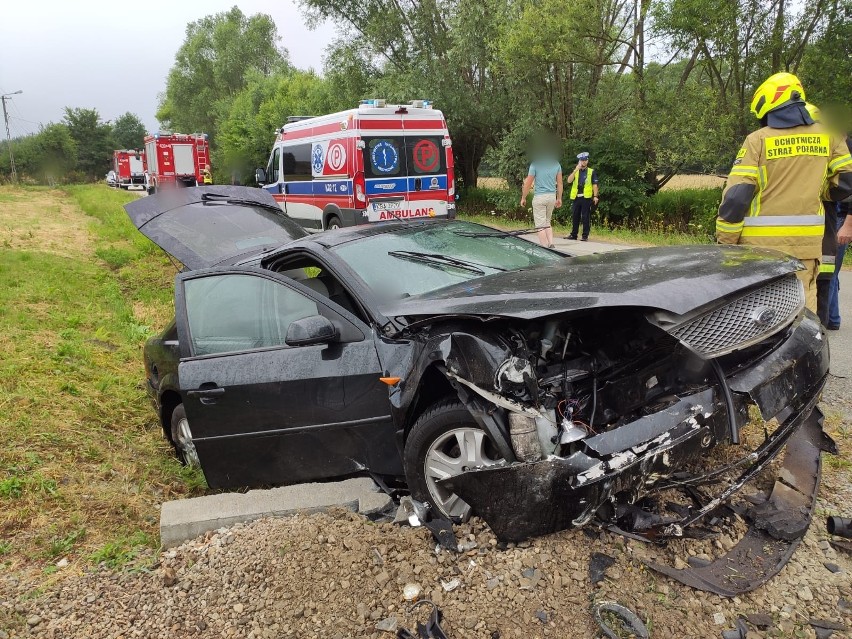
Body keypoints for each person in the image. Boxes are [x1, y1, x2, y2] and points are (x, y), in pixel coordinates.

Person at [715, 72, 852, 313]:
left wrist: (726, 244)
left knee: (758, 317)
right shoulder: (829, 137)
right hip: (807, 248)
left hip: (757, 251)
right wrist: (817, 190)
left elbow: (736, 197)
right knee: (802, 316)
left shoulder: (757, 140)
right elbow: (845, 184)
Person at [828, 132, 852, 328]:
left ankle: (829, 320)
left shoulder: (848, 148)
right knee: (828, 270)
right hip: (830, 214)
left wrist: (848, 225)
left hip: (841, 217)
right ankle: (832, 319)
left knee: (829, 270)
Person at [520, 146, 563, 248]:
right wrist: (559, 198)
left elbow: (528, 183)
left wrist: (523, 197)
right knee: (547, 221)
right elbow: (560, 183)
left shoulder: (535, 165)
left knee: (540, 225)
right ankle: (551, 243)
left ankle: (544, 247)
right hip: (551, 196)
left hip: (540, 197)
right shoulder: (556, 164)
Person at [564, 152, 599, 241]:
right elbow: (569, 181)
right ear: (579, 161)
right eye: (582, 160)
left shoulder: (591, 171)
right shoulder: (576, 171)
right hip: (576, 197)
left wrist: (595, 196)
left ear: (587, 161)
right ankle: (574, 234)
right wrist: (576, 169)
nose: (584, 162)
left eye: (585, 160)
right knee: (575, 216)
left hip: (586, 197)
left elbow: (595, 185)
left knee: (585, 216)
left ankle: (585, 236)